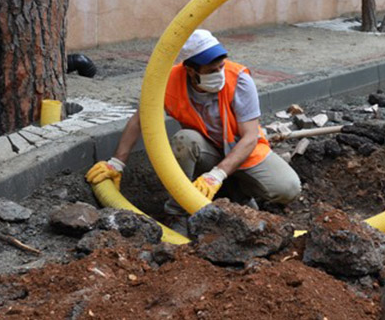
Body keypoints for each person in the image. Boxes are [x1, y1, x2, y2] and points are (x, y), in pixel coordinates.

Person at [85, 29, 301, 210]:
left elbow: (250, 137)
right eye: (210, 70)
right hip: (205, 151)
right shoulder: (167, 82)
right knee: (184, 139)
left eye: (221, 67)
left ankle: (235, 194)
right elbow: (139, 120)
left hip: (243, 151)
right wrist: (117, 162)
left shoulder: (240, 80)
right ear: (190, 70)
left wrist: (217, 175)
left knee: (289, 188)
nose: (219, 73)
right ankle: (179, 212)